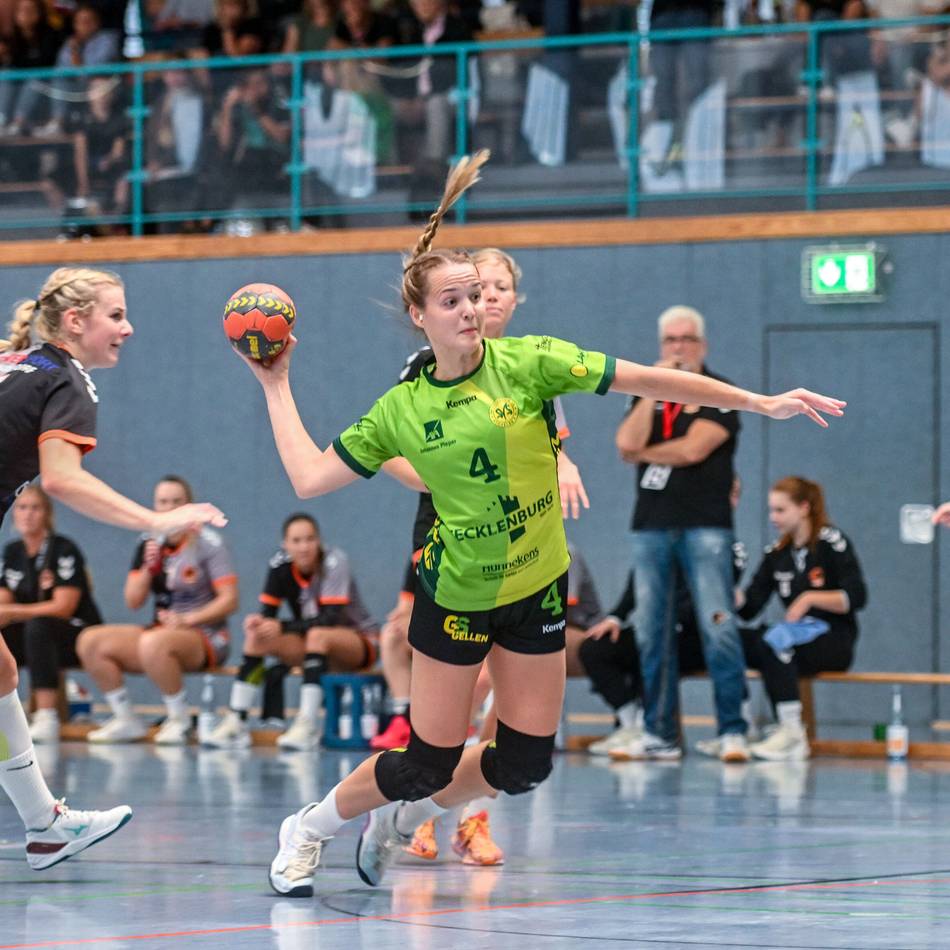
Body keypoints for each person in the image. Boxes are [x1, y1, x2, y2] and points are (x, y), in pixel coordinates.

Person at [236, 149, 844, 898]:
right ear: (420, 317)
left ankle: (405, 817)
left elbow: (645, 376)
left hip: (535, 589)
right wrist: (277, 384)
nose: (469, 309)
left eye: (474, 296)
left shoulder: (529, 363)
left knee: (523, 764)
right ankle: (310, 827)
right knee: (425, 758)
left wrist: (757, 401)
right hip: (457, 595)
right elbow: (309, 476)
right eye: (451, 301)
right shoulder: (402, 409)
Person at [0, 266, 224, 869]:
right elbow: (62, 479)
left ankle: (44, 826)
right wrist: (156, 521)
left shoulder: (19, 365)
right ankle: (45, 824)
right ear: (76, 322)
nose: (129, 328)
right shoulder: (65, 379)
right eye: (116, 315)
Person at [371, 245, 587, 754]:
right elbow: (384, 449)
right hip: (450, 535)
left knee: (511, 683)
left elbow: (551, 444)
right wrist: (441, 479)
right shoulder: (426, 368)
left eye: (499, 288)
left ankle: (478, 791)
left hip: (520, 534)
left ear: (513, 300)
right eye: (479, 287)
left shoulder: (528, 366)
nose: (488, 298)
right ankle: (423, 780)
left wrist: (565, 465)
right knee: (460, 672)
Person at [615, 305, 750, 763]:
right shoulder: (646, 393)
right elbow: (626, 443)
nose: (678, 349)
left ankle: (732, 730)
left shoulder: (720, 392)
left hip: (705, 524)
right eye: (670, 341)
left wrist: (644, 453)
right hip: (651, 525)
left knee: (718, 624)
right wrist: (651, 390)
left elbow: (694, 449)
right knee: (651, 629)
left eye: (687, 340)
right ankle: (660, 732)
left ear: (702, 345)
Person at [77, 474, 238, 745]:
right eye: (163, 502)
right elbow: (133, 602)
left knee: (154, 642)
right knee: (90, 641)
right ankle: (125, 718)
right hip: (160, 632)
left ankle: (180, 719)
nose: (170, 508)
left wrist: (187, 619)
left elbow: (230, 600)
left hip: (205, 635)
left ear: (189, 506)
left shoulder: (209, 543)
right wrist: (147, 570)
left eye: (177, 502)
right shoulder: (148, 543)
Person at [205, 511, 379, 751]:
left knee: (318, 635)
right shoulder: (279, 565)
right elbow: (269, 614)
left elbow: (330, 619)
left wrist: (283, 626)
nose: (304, 547)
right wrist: (259, 622)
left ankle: (307, 724)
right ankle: (237, 720)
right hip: (314, 647)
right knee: (257, 636)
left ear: (319, 541)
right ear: (285, 544)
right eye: (296, 541)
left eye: (310, 539)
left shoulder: (334, 562)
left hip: (359, 642)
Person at [737, 477, 867, 760]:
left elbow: (857, 596)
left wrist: (810, 598)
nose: (773, 518)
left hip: (833, 639)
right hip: (794, 636)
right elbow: (750, 608)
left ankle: (792, 733)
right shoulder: (777, 554)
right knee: (733, 642)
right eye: (771, 510)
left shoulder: (831, 543)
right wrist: (730, 595)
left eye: (780, 510)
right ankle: (739, 728)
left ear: (804, 508)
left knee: (775, 643)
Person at [0, 485, 102, 744]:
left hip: (76, 633)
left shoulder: (63, 549)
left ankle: (47, 716)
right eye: (22, 508)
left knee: (39, 627)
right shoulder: (12, 552)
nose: (28, 514)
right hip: (31, 634)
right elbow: (3, 601)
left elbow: (62, 607)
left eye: (35, 508)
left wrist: (13, 611)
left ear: (47, 513)